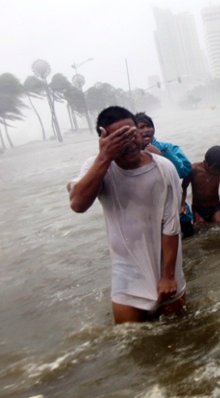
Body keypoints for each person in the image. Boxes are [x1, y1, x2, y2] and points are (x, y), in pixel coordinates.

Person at [68, 106, 186, 324]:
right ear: (105, 140)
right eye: (119, 138)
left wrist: (168, 277)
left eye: (132, 134)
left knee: (180, 335)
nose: (130, 142)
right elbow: (77, 204)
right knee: (129, 340)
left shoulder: (164, 168)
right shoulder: (98, 167)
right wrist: (104, 157)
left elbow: (171, 224)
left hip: (167, 269)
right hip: (127, 273)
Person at [135, 112, 194, 238]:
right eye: (141, 127)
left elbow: (184, 171)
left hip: (178, 212)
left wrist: (162, 156)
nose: (146, 130)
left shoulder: (168, 148)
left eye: (149, 126)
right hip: (151, 220)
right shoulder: (129, 156)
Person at [182, 145, 220, 225]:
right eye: (213, 169)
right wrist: (182, 205)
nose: (216, 172)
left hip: (215, 207)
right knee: (201, 230)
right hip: (198, 209)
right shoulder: (194, 170)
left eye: (218, 169)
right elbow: (183, 187)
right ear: (205, 162)